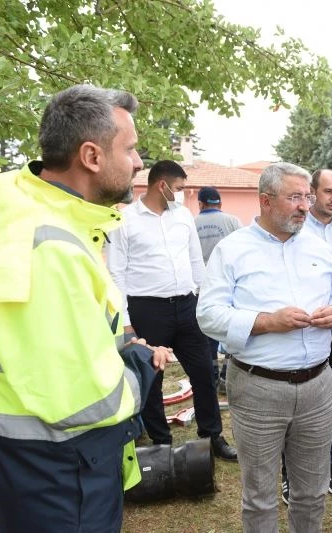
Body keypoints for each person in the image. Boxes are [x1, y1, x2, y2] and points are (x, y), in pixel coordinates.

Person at [0, 84, 175, 532]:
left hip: (32, 472)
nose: (139, 163)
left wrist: (119, 341)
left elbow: (63, 337)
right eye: (131, 149)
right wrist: (141, 363)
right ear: (92, 156)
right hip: (58, 484)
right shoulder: (43, 248)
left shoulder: (41, 213)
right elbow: (86, 401)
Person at [196, 162, 332, 533]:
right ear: (265, 200)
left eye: (307, 197)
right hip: (258, 389)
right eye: (294, 197)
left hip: (317, 388)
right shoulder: (232, 250)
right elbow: (208, 314)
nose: (304, 206)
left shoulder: (319, 247)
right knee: (260, 497)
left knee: (312, 493)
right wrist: (267, 322)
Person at [105, 160, 237, 461]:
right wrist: (126, 323)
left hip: (187, 306)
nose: (182, 194)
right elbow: (116, 274)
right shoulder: (125, 221)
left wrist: (207, 301)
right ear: (161, 185)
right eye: (178, 188)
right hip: (147, 309)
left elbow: (195, 262)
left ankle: (211, 435)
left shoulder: (184, 217)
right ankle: (160, 440)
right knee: (152, 378)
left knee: (204, 371)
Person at [278, 169, 332, 501]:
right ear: (313, 192)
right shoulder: (295, 228)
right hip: (304, 329)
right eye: (328, 191)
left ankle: (330, 465)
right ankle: (290, 473)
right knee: (298, 402)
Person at [194, 185, 242, 388]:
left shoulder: (192, 223)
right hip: (231, 284)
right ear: (220, 203)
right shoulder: (232, 221)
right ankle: (226, 373)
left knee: (208, 331)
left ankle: (211, 372)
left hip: (201, 285)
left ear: (200, 204)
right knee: (233, 327)